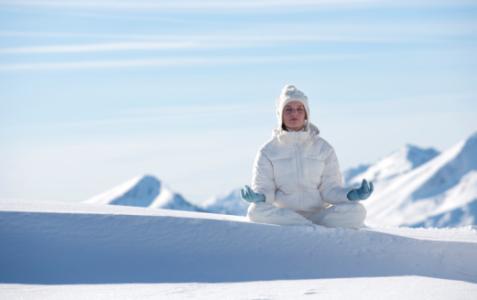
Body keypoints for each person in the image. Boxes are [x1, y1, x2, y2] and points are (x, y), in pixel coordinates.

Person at [240, 84, 373, 228]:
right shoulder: (268, 151)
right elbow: (265, 188)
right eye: (288, 109)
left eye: (299, 109)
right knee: (255, 211)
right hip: (284, 216)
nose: (294, 114)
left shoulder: (323, 149)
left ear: (306, 114)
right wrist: (259, 197)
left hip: (318, 215)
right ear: (280, 115)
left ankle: (305, 227)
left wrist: (352, 195)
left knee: (357, 211)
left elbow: (330, 190)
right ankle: (309, 227)